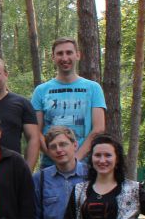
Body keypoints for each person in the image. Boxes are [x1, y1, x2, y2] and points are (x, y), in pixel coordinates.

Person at [32, 38, 107, 166]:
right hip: (50, 166)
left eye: (69, 52)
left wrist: (75, 160)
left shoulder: (93, 88)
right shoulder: (41, 91)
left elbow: (98, 129)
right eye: (60, 53)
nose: (64, 58)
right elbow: (35, 131)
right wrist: (57, 158)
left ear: (78, 55)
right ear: (53, 57)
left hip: (84, 166)